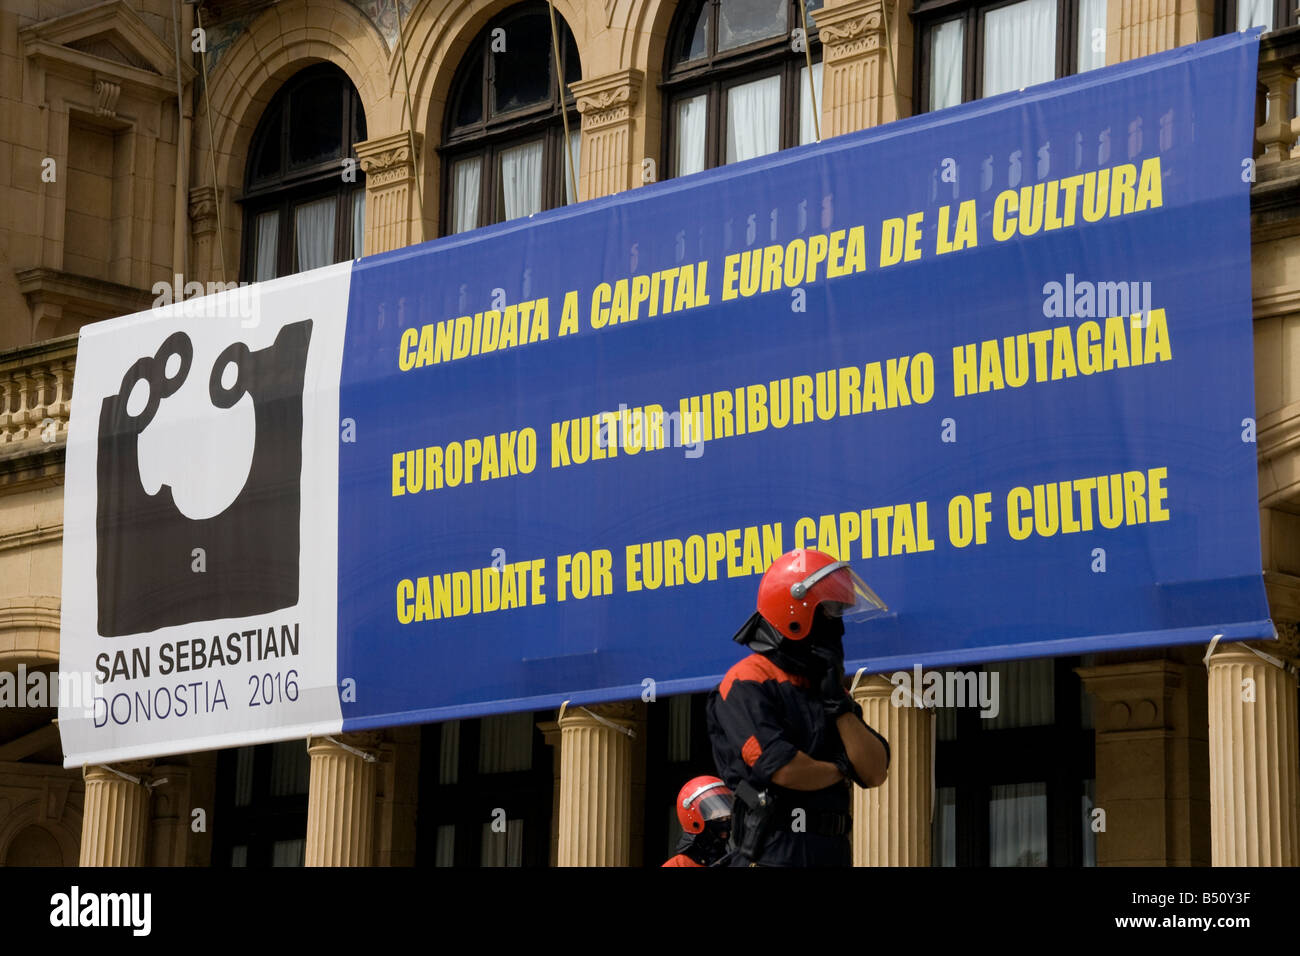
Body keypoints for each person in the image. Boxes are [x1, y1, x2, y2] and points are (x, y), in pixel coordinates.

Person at [706, 548, 891, 866]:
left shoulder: (825, 687)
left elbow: (874, 770)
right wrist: (843, 768)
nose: (840, 627)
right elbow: (784, 768)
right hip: (773, 852)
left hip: (833, 853)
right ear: (796, 613)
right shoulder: (747, 680)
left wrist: (839, 706)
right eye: (832, 611)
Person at [661, 775, 735, 867]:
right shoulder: (678, 865)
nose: (726, 825)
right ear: (694, 821)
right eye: (718, 818)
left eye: (728, 818)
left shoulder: (736, 860)